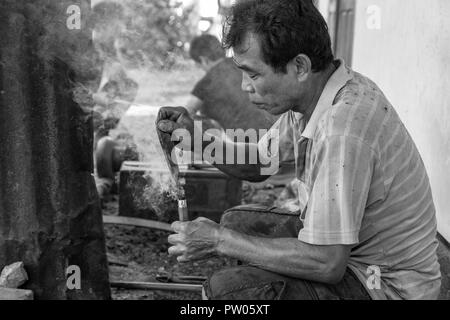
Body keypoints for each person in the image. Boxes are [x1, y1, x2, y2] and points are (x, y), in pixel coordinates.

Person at [156, 0, 441, 300]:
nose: (244, 86)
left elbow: (327, 262)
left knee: (226, 293)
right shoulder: (316, 96)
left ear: (300, 67)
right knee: (236, 223)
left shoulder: (342, 129)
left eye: (253, 74)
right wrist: (198, 140)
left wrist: (217, 241)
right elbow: (260, 162)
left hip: (385, 284)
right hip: (352, 255)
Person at [186, 34, 276, 132]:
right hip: (274, 132)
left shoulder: (205, 83)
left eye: (198, 65)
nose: (200, 69)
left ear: (204, 60)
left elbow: (185, 115)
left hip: (244, 141)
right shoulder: (243, 64)